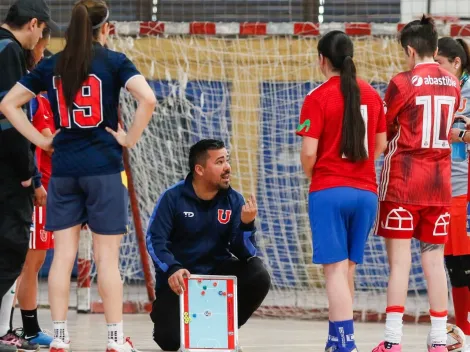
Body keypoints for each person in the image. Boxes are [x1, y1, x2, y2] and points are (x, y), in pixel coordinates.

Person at [0, 0, 157, 351]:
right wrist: (128, 138)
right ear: (105, 28)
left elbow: (8, 104)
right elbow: (148, 99)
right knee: (107, 260)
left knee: (63, 257)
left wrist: (41, 139)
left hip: (65, 172)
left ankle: (60, 338)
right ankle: (116, 340)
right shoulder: (114, 61)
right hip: (104, 170)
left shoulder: (53, 63)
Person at [373, 16, 461, 352]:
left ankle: (393, 340)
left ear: (410, 51)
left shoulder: (402, 82)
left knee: (399, 263)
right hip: (439, 186)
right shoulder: (453, 84)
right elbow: (452, 124)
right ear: (436, 48)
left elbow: (387, 127)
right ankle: (438, 339)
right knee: (435, 263)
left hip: (403, 183)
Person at [296, 30, 387, 352]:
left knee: (334, 271)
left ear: (322, 59)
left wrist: (316, 175)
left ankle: (346, 344)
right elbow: (381, 144)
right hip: (365, 192)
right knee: (348, 268)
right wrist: (358, 169)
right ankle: (337, 341)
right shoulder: (373, 95)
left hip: (329, 190)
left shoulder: (317, 97)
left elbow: (309, 153)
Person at [146, 139, 271, 352]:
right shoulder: (173, 198)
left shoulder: (234, 200)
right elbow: (155, 240)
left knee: (258, 273)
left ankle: (221, 331)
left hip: (217, 279)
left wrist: (246, 224)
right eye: (220, 162)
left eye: (227, 161)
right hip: (182, 283)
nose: (227, 167)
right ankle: (172, 315)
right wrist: (173, 269)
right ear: (200, 169)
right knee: (169, 341)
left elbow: (245, 252)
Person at [0, 1, 57, 351]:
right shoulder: (10, 51)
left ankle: (9, 328)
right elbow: (9, 122)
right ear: (34, 25)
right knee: (11, 251)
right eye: (42, 34)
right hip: (9, 175)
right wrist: (30, 177)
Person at [435, 37, 470, 351]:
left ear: (456, 64)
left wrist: (456, 132)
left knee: (465, 265)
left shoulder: (468, 90)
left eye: (441, 65)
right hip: (446, 188)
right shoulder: (443, 91)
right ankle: (463, 331)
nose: (436, 70)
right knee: (454, 266)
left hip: (465, 190)